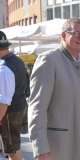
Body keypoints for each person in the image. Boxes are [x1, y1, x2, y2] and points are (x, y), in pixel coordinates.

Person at [28, 18, 80, 160]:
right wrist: (40, 149)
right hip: (59, 147)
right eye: (77, 34)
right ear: (63, 35)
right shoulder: (49, 60)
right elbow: (36, 109)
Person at [0, 30, 28, 160]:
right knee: (12, 149)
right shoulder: (16, 60)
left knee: (12, 150)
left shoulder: (4, 67)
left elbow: (4, 100)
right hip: (18, 106)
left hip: (9, 112)